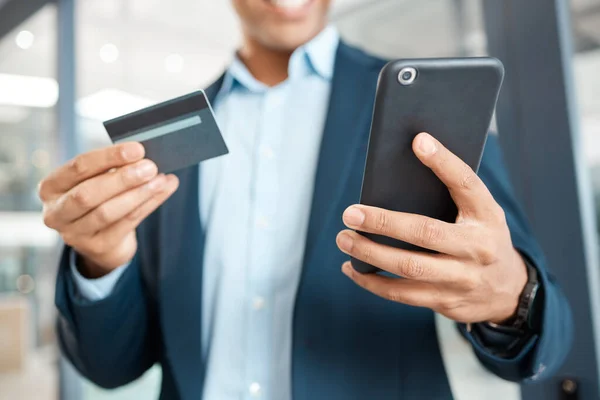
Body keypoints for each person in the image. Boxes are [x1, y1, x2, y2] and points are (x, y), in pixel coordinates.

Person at [40, 0, 573, 399]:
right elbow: (112, 366)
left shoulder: (428, 111)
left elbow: (545, 336)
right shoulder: (170, 138)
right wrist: (101, 261)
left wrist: (513, 298)